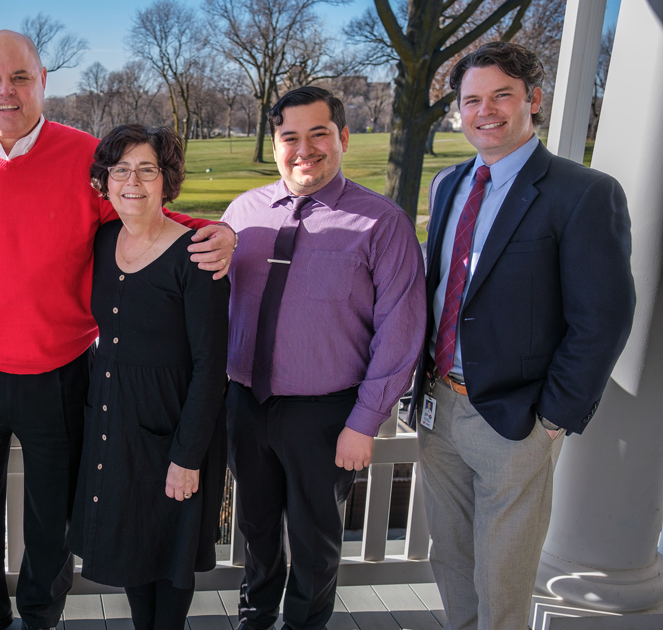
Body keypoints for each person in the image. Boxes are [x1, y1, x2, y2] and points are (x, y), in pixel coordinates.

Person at [0, 30, 236, 630]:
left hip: (60, 370)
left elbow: (143, 211)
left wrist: (218, 231)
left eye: (20, 78)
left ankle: (40, 615)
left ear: (43, 81)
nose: (5, 92)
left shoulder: (85, 156)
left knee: (51, 516)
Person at [409, 42, 634, 630]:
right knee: (451, 561)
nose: (485, 111)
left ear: (533, 100)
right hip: (438, 405)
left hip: (515, 420)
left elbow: (603, 317)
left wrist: (554, 417)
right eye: (471, 100)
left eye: (501, 95)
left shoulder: (582, 192)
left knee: (502, 578)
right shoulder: (448, 184)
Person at [219, 86, 425, 630]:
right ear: (275, 141)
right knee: (257, 533)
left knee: (315, 543)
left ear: (343, 138)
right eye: (290, 137)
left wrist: (365, 422)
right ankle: (254, 619)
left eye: (319, 134)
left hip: (326, 416)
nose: (304, 149)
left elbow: (400, 333)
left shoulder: (382, 223)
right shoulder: (243, 211)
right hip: (244, 403)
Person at [69, 124, 229, 630]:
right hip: (117, 428)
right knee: (135, 555)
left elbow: (210, 367)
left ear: (167, 179)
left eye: (146, 169)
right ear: (105, 180)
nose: (132, 181)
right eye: (120, 170)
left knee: (170, 565)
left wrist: (187, 456)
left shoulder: (196, 257)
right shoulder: (104, 239)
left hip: (173, 431)